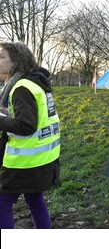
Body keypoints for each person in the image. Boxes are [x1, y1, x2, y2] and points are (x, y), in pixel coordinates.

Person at [0, 42, 60, 229]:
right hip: (44, 157)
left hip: (24, 161)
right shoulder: (35, 81)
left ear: (16, 62)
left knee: (2, 204)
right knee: (34, 198)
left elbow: (26, 126)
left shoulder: (21, 88)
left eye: (2, 57)